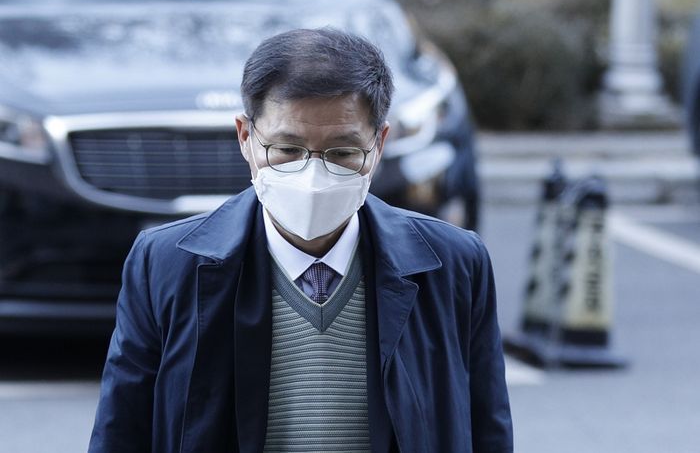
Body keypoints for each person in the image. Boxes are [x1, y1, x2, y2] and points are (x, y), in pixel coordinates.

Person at [89, 27, 513, 453]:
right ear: (245, 137)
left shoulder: (452, 265)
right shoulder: (167, 265)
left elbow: (487, 430)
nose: (313, 176)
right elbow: (121, 433)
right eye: (287, 150)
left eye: (343, 153)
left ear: (379, 144)